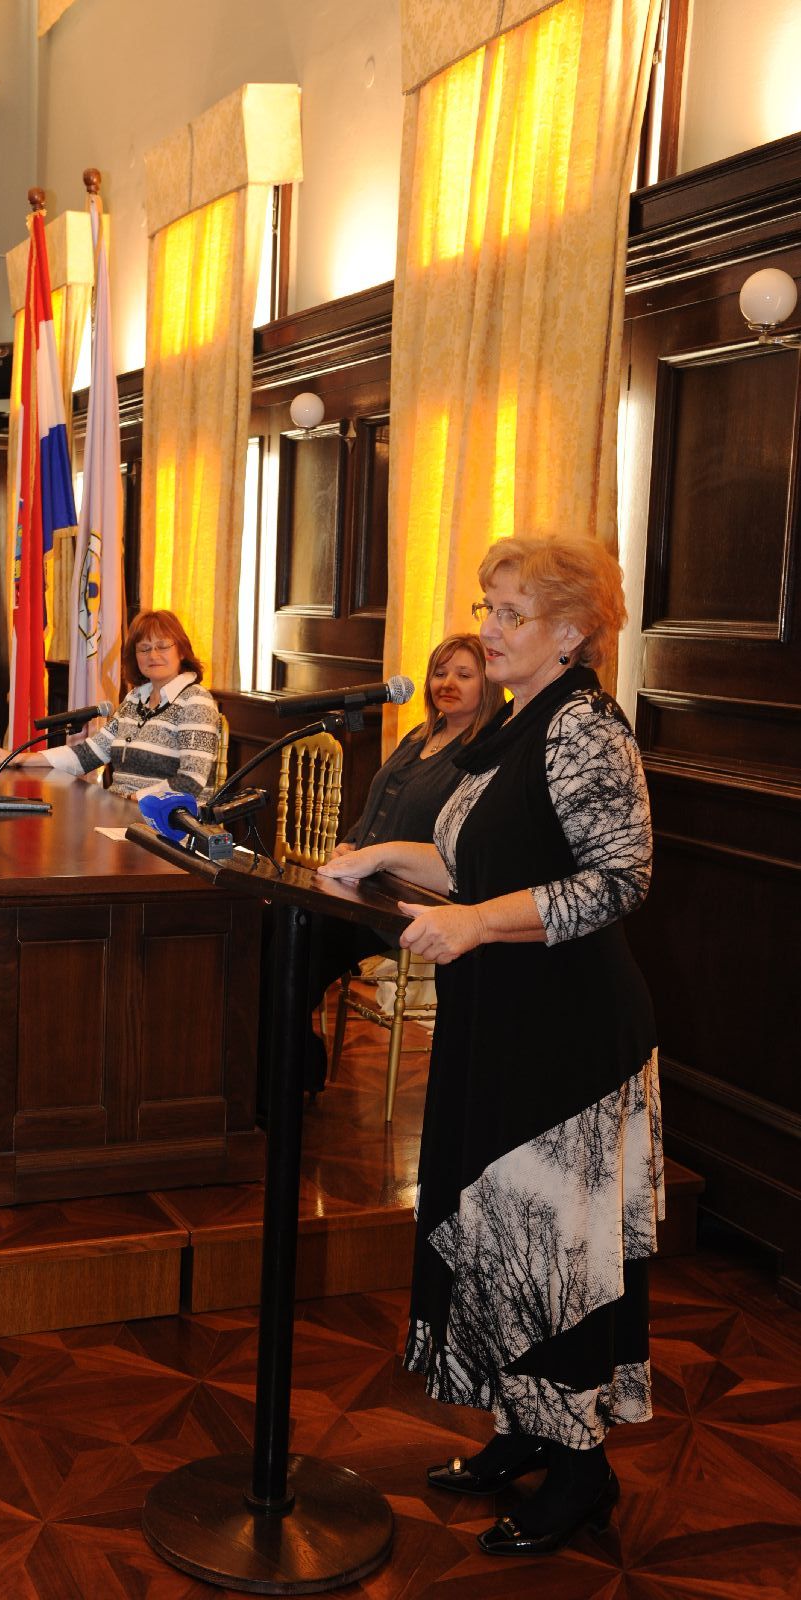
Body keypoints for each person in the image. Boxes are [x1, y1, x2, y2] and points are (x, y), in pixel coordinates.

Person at [319, 536, 661, 1556]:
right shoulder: (517, 721)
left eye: (511, 612)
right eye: (487, 606)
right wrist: (379, 855)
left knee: (552, 1256)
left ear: (571, 631)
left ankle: (581, 1470)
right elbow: (472, 855)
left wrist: (474, 923)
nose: (490, 627)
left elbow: (619, 878)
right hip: (498, 1021)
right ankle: (522, 1428)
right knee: (495, 1238)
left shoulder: (586, 727)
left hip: (570, 1042)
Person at [302, 634, 502, 1093]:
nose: (447, 683)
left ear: (489, 684)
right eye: (440, 673)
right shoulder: (419, 736)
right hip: (361, 886)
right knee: (278, 928)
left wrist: (371, 861)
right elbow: (378, 806)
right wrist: (349, 845)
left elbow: (458, 851)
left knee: (303, 943)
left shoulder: (481, 756)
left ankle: (292, 1071)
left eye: (464, 675)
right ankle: (286, 1062)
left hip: (404, 904)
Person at [0, 609, 220, 802]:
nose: (153, 655)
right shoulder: (135, 699)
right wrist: (17, 759)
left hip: (169, 824)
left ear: (181, 651)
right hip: (123, 817)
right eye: (144, 648)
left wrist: (135, 800)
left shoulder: (196, 701)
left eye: (163, 646)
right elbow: (89, 754)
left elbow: (191, 781)